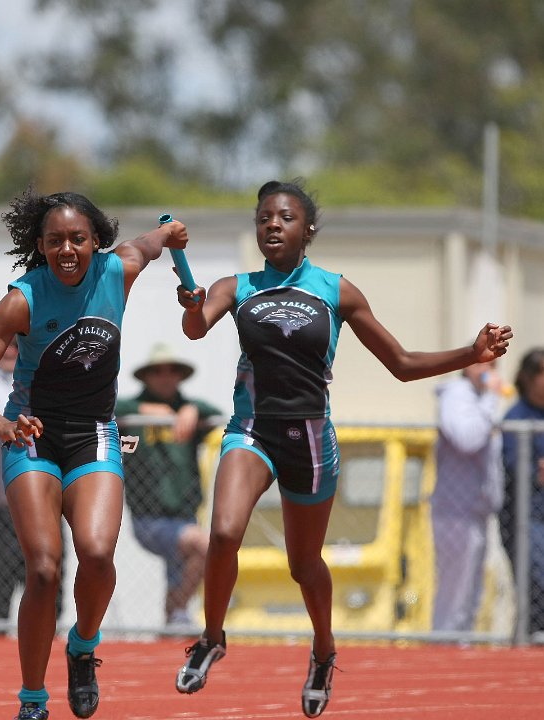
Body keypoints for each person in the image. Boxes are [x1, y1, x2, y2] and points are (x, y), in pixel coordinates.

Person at [172, 179, 513, 719]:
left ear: (307, 230)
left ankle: (324, 650)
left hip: (309, 439)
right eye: (263, 218)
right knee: (222, 533)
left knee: (303, 564)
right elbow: (195, 329)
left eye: (284, 217)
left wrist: (470, 353)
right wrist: (192, 305)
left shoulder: (337, 290)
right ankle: (212, 636)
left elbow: (401, 365)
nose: (272, 225)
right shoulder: (236, 286)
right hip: (252, 429)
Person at [0, 188, 188, 720]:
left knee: (98, 554)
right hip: (33, 438)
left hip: (95, 432)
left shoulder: (117, 270)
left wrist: (171, 235)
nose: (67, 250)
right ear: (40, 245)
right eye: (55, 241)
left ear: (96, 241)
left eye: (78, 239)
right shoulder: (21, 299)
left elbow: (151, 242)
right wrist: (3, 425)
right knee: (43, 570)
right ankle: (33, 700)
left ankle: (82, 646)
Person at [115, 343, 221, 628]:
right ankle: (179, 611)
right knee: (203, 545)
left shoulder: (189, 411)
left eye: (172, 371)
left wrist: (191, 409)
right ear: (146, 377)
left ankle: (172, 622)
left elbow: (217, 412)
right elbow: (105, 410)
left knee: (180, 570)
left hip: (184, 513)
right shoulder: (132, 414)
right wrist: (142, 408)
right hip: (149, 518)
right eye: (157, 371)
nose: (165, 376)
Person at [0, 338, 64, 632]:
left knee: (50, 596)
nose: (12, 351)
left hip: (45, 510)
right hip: (0, 510)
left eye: (18, 344)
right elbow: (5, 415)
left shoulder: (46, 386)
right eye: (7, 345)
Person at [430, 361, 505, 632]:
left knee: (472, 589)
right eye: (482, 363)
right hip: (454, 510)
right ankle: (444, 645)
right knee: (455, 590)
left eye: (493, 363)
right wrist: (491, 399)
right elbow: (467, 439)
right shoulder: (457, 394)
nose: (489, 369)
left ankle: (461, 645)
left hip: (476, 510)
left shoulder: (478, 398)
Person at [500, 347, 544, 635]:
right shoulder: (517, 416)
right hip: (525, 517)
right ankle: (530, 637)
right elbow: (517, 466)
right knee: (536, 577)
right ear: (529, 379)